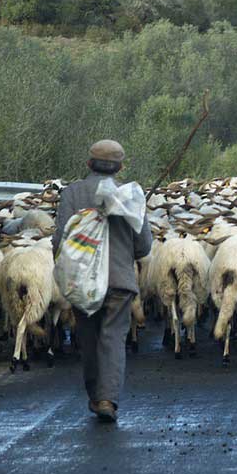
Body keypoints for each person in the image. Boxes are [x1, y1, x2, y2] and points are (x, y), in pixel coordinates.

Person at [52, 139, 153, 424]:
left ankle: (96, 396)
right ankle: (108, 398)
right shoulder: (131, 196)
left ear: (88, 164)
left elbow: (60, 239)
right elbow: (144, 246)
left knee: (88, 339)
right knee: (113, 340)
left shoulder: (72, 194)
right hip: (119, 281)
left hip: (83, 282)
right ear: (120, 167)